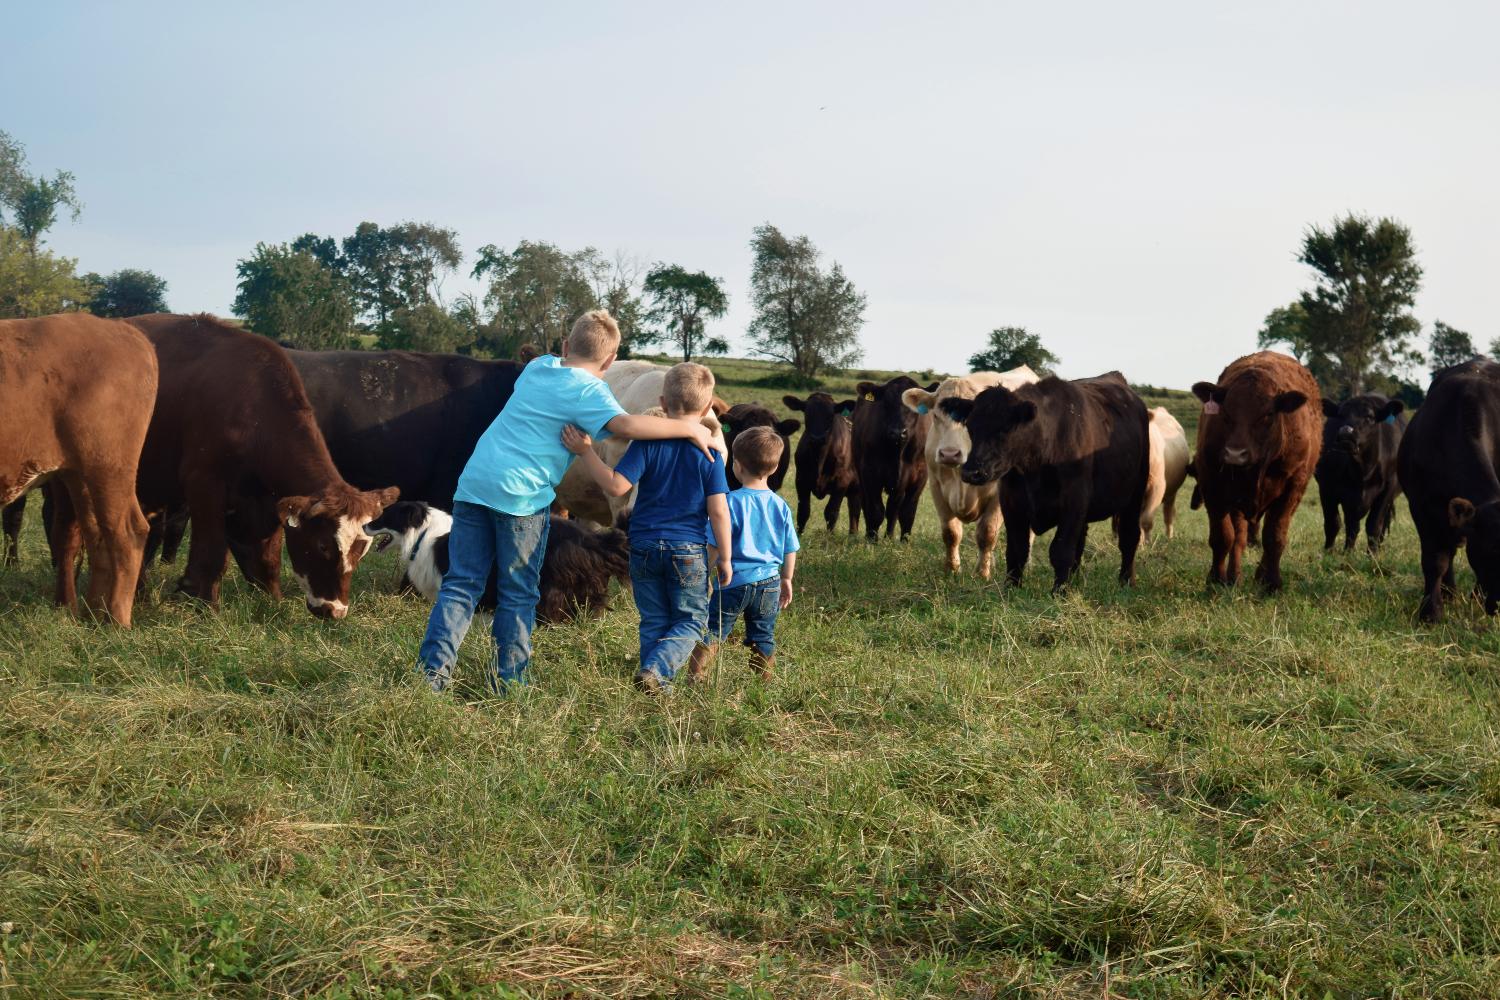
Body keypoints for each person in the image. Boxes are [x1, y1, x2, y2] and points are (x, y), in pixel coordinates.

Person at [415, 310, 717, 695]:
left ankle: (431, 678)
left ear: (564, 347)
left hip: (474, 484)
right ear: (609, 362)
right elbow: (627, 426)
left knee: (460, 584)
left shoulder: (538, 367)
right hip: (521, 498)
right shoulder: (590, 392)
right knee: (519, 591)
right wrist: (689, 426)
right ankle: (510, 681)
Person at [563, 362, 732, 692]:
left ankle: (655, 688)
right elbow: (719, 512)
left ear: (663, 404)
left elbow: (615, 487)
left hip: (641, 546)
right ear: (710, 408)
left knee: (653, 619)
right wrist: (725, 556)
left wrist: (585, 452)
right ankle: (657, 670)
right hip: (687, 550)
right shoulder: (710, 452)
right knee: (692, 620)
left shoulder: (644, 444)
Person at [687, 426, 799, 682]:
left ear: (736, 465)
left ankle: (696, 676)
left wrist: (704, 575)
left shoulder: (729, 502)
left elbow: (714, 545)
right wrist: (786, 579)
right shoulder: (780, 505)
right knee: (763, 636)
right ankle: (763, 682)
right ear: (774, 468)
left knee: (713, 630)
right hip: (769, 584)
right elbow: (790, 547)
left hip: (732, 582)